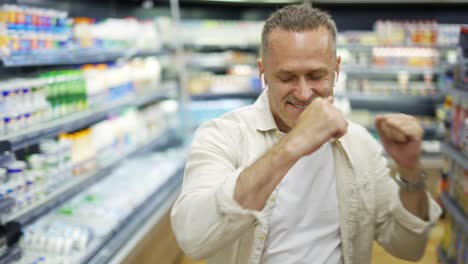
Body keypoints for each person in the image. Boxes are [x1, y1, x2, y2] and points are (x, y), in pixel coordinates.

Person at [171, 4, 441, 264]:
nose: (303, 93)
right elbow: (194, 239)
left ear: (336, 69)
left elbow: (409, 248)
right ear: (263, 72)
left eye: (316, 76)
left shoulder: (358, 143)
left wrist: (409, 169)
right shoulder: (221, 136)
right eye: (287, 78)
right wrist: (293, 144)